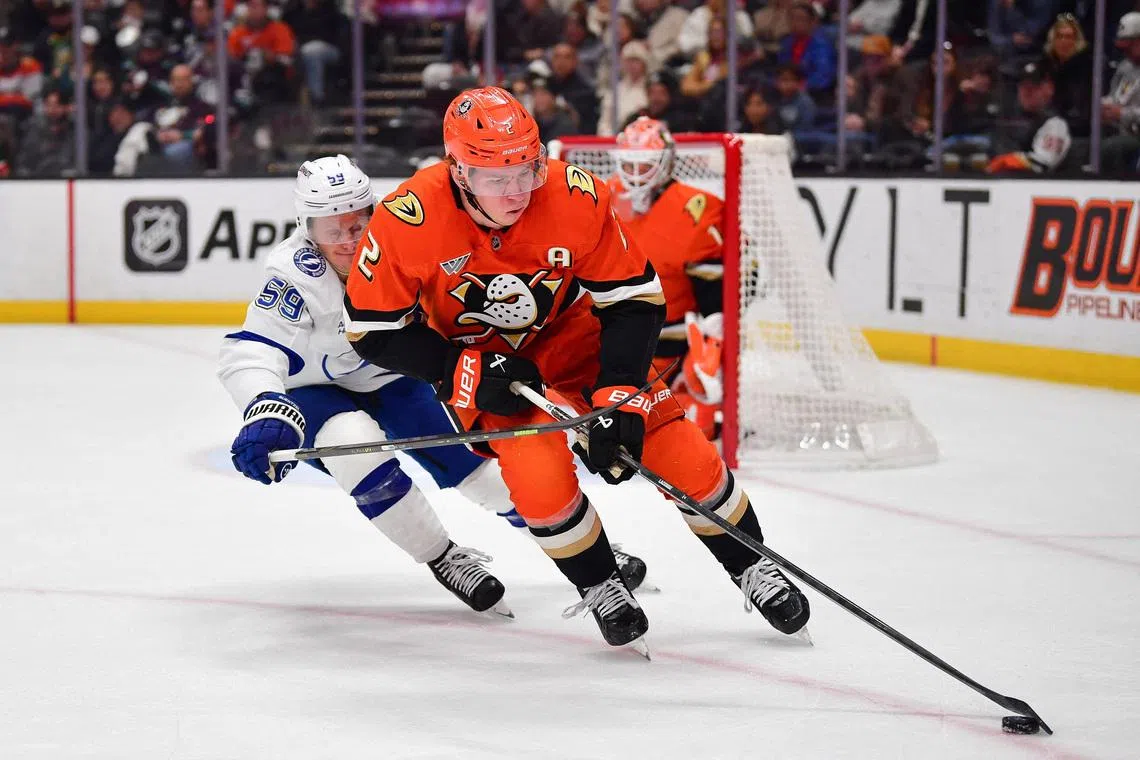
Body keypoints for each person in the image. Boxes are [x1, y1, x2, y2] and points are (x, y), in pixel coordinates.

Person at [342, 88, 810, 651]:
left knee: (680, 452)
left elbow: (635, 298)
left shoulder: (571, 193)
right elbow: (372, 330)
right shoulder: (407, 218)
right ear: (457, 169)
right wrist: (456, 366)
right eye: (496, 176)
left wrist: (618, 391)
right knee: (539, 484)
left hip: (578, 341)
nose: (516, 190)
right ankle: (602, 584)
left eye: (526, 168)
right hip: (484, 365)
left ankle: (752, 565)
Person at [218, 155, 649, 617]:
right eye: (331, 230)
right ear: (307, 229)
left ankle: (578, 550)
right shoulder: (293, 273)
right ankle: (442, 556)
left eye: (357, 224)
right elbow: (249, 351)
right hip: (318, 389)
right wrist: (265, 407)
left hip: (397, 373)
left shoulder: (403, 241)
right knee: (355, 447)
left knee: (474, 461)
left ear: (374, 213)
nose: (348, 241)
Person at [607, 117, 725, 440]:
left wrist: (713, 340)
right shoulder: (606, 198)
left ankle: (692, 384)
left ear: (665, 162)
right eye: (628, 166)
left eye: (644, 165)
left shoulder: (697, 209)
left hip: (673, 348)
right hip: (615, 342)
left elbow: (724, 293)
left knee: (689, 428)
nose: (634, 175)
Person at [986, 60, 1071, 174]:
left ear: (1049, 89)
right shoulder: (1005, 119)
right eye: (1023, 85)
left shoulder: (1056, 124)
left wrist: (1007, 160)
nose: (1026, 91)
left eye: (1034, 86)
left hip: (1041, 187)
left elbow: (1043, 162)